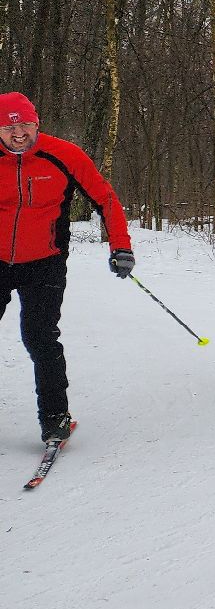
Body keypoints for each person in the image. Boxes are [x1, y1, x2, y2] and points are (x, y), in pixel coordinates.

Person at [0, 92, 134, 444]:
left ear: (36, 124)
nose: (18, 133)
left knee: (41, 338)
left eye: (25, 125)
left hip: (44, 262)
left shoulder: (64, 155)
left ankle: (55, 418)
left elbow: (105, 197)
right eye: (9, 126)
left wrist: (121, 246)